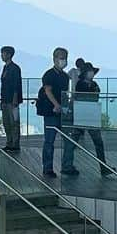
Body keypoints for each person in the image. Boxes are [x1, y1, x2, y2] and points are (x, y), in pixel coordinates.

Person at [36, 47, 76, 178]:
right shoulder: (48, 75)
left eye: (65, 57)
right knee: (49, 141)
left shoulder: (65, 76)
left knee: (69, 140)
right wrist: (56, 105)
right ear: (54, 58)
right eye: (61, 57)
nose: (63, 60)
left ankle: (67, 166)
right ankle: (47, 168)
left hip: (62, 112)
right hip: (50, 112)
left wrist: (66, 106)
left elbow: (65, 94)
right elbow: (48, 90)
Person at [71, 60, 110, 170]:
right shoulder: (81, 84)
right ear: (85, 73)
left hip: (90, 116)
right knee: (75, 141)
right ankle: (67, 165)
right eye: (90, 72)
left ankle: (103, 166)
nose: (92, 74)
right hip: (84, 115)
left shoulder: (93, 84)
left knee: (97, 142)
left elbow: (95, 95)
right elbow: (89, 95)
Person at [0, 45, 23, 152]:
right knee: (6, 122)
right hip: (4, 99)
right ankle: (9, 142)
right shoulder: (5, 67)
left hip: (12, 100)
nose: (2, 56)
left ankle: (15, 143)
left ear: (9, 55)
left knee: (14, 122)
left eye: (3, 53)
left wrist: (15, 99)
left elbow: (16, 85)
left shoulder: (15, 68)